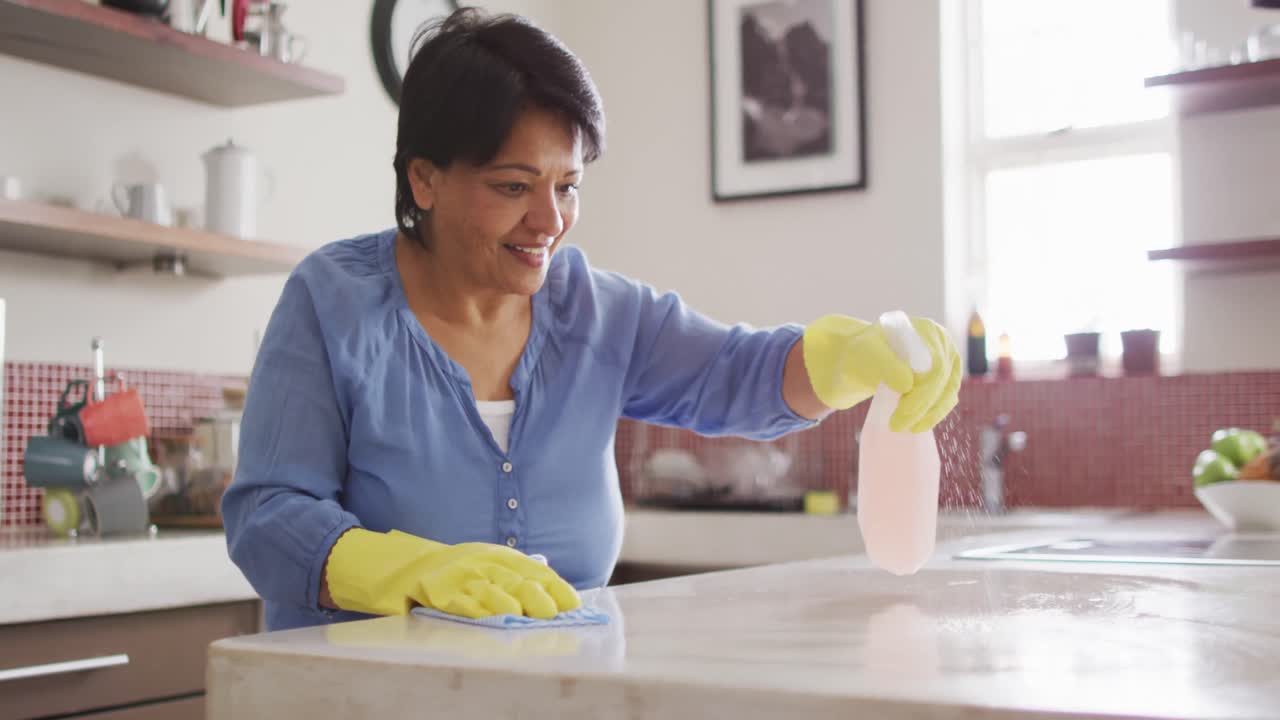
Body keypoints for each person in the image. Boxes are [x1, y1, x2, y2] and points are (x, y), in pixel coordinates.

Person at [221, 8, 961, 632]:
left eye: (568, 186)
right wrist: (408, 570)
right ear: (424, 178)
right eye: (515, 186)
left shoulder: (598, 314)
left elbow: (739, 374)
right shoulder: (333, 304)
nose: (550, 220)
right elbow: (267, 517)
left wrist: (849, 357)